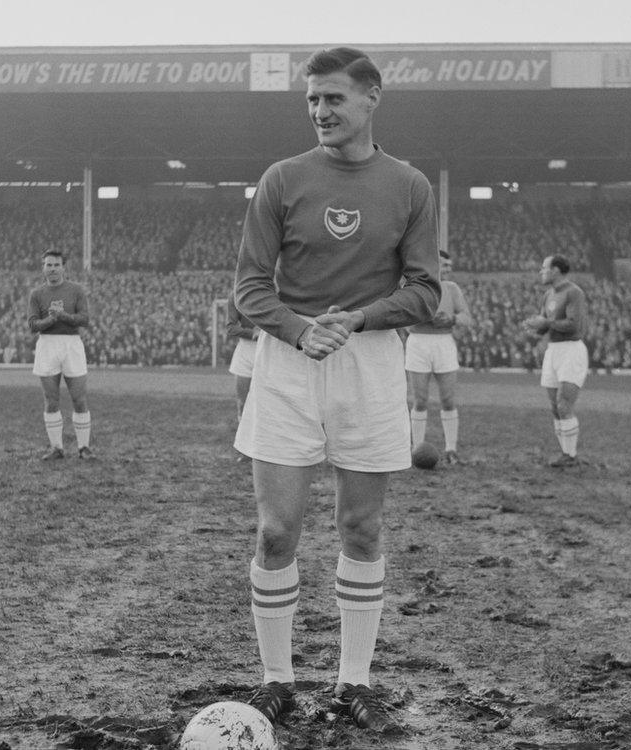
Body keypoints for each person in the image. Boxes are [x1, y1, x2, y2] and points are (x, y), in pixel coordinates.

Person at [233, 47, 440, 732]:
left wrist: (358, 318)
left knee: (360, 525)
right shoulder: (282, 179)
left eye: (334, 99)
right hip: (289, 361)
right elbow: (250, 287)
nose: (321, 112)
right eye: (313, 101)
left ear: (372, 97)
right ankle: (277, 681)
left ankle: (354, 680)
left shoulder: (409, 186)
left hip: (371, 359)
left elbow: (426, 290)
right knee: (274, 530)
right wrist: (298, 330)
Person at [404, 251, 473, 463]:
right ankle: (416, 449)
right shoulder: (415, 286)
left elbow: (466, 317)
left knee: (448, 399)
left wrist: (450, 318)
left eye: (450, 266)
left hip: (444, 343)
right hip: (418, 341)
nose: (448, 269)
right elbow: (404, 318)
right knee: (420, 399)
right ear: (433, 264)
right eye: (444, 265)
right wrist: (425, 318)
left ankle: (451, 449)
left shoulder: (451, 288)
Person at [522, 254, 589, 468]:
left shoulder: (573, 292)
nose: (541, 272)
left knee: (564, 404)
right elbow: (546, 326)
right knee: (554, 406)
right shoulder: (548, 294)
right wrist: (534, 326)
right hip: (553, 350)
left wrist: (546, 322)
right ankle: (565, 453)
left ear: (556, 270)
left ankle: (571, 455)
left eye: (544, 268)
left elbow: (573, 324)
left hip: (571, 349)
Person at [27, 249, 93, 460]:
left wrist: (63, 316)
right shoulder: (37, 294)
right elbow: (32, 324)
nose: (52, 269)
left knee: (79, 399)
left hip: (71, 344)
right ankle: (57, 448)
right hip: (47, 345)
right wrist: (50, 320)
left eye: (56, 265)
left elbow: (84, 319)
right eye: (48, 265)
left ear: (63, 267)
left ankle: (84, 448)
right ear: (43, 268)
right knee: (51, 399)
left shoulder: (76, 290)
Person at [226, 295, 260, 460]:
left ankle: (265, 448)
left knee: (269, 402)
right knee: (242, 402)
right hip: (245, 351)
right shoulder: (235, 296)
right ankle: (245, 449)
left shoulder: (275, 292)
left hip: (266, 350)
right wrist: (252, 332)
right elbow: (231, 328)